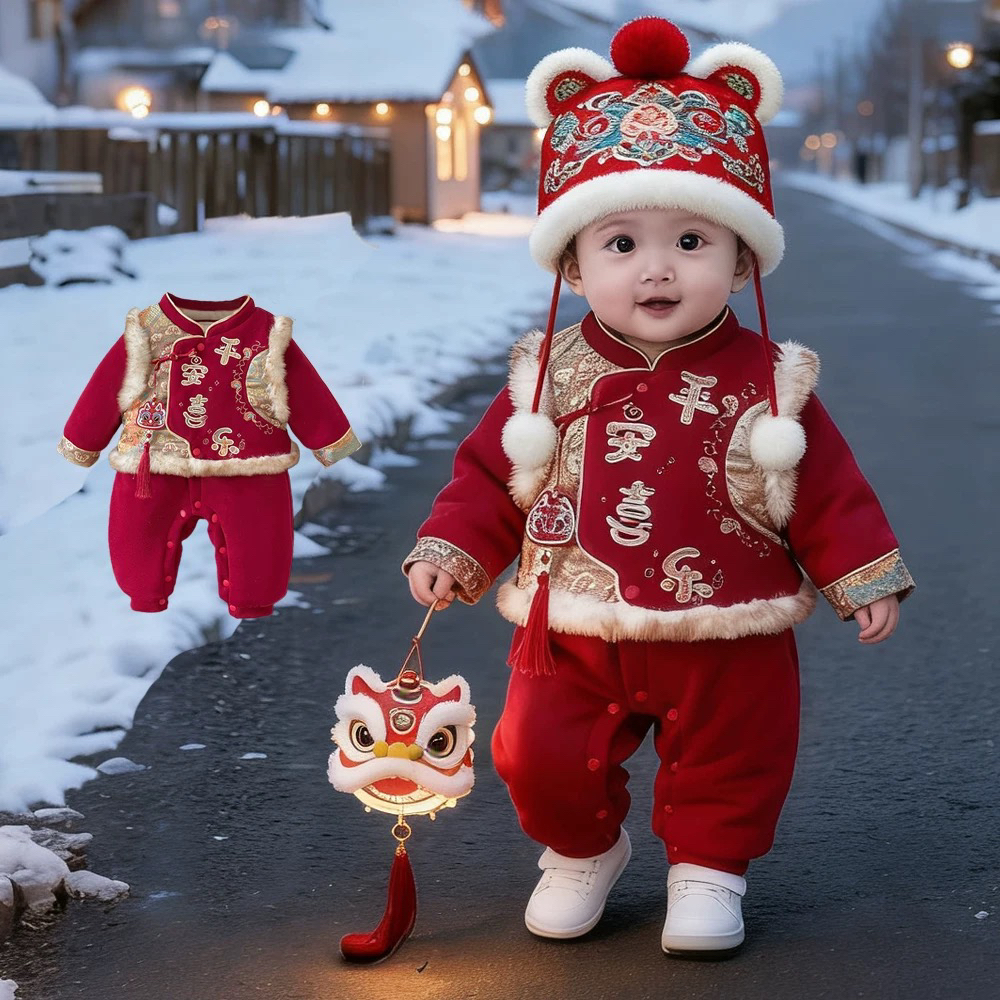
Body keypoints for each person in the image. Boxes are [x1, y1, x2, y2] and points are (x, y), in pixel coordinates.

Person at [404, 17, 913, 955]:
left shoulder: (770, 379)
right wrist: (454, 547)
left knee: (733, 755)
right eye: (621, 244)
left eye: (690, 239)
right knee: (536, 751)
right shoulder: (546, 374)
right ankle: (580, 848)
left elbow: (830, 487)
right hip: (574, 616)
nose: (658, 268)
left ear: (741, 258)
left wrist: (862, 573)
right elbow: (487, 475)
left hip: (729, 617)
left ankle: (709, 872)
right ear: (573, 261)